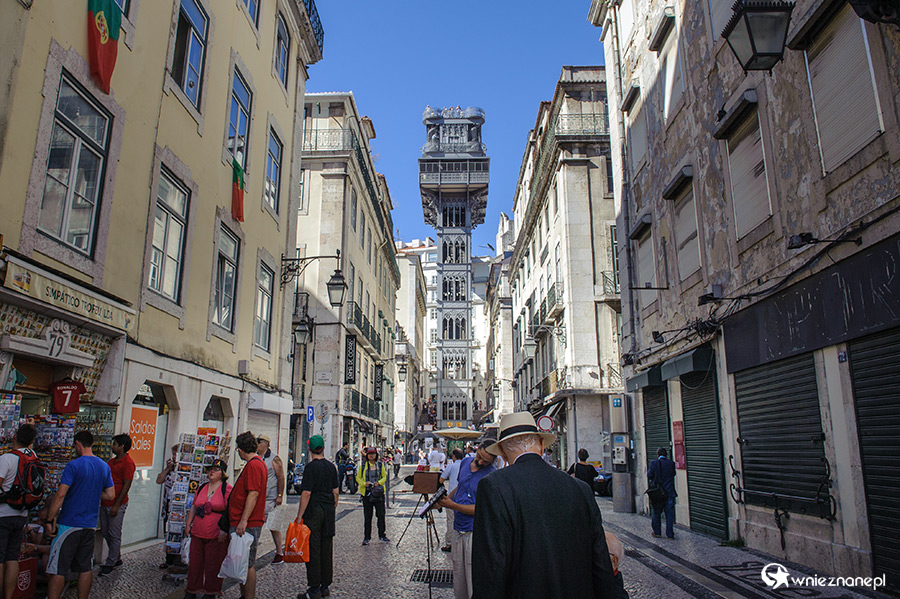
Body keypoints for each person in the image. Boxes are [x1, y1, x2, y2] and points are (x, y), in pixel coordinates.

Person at [472, 412, 616, 599]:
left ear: (502, 454)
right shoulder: (581, 489)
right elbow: (601, 563)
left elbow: (491, 567)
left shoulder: (494, 486)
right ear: (541, 446)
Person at [46, 431, 115, 599]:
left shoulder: (73, 465)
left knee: (58, 569)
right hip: (90, 525)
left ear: (78, 444)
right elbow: (110, 495)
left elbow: (61, 495)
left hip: (68, 524)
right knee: (85, 567)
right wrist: (91, 492)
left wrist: (49, 519)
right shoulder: (103, 466)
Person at [437, 443, 495, 599]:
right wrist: (445, 500)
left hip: (475, 531)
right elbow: (461, 486)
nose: (481, 462)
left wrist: (453, 505)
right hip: (458, 527)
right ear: (477, 451)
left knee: (472, 575)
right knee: (458, 572)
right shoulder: (464, 463)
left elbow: (481, 508)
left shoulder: (492, 476)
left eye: (486, 461)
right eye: (480, 457)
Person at [295, 435, 338, 599]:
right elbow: (336, 492)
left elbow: (306, 493)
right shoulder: (331, 467)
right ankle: (325, 585)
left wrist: (299, 515)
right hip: (328, 510)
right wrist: (333, 507)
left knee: (313, 549)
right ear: (323, 448)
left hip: (314, 511)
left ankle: (314, 589)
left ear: (310, 449)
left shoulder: (311, 468)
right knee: (327, 548)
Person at [184, 459, 231, 599]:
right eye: (211, 469)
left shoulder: (226, 488)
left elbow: (230, 510)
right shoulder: (202, 487)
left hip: (216, 534)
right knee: (195, 563)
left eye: (216, 469)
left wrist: (225, 530)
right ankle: (192, 589)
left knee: (213, 563)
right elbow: (194, 506)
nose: (212, 471)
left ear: (222, 473)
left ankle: (211, 591)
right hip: (198, 531)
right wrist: (188, 524)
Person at [228, 431, 268, 599]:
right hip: (249, 520)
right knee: (244, 562)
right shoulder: (258, 464)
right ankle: (244, 595)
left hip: (249, 522)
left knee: (248, 562)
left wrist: (243, 520)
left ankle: (248, 596)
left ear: (241, 449)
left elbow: (253, 494)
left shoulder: (254, 465)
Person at [0, 424, 37, 599]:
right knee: (12, 557)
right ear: (31, 441)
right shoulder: (33, 457)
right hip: (22, 515)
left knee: (0, 560)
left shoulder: (6, 458)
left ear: (15, 436)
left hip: (3, 514)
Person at [98, 433, 136, 577]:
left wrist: (117, 504)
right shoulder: (111, 462)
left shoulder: (128, 463)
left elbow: (127, 484)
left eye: (114, 444)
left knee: (114, 533)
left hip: (117, 503)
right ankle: (116, 557)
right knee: (106, 532)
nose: (112, 446)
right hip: (106, 501)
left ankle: (111, 562)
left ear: (122, 446)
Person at [256, 434, 285, 564]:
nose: (257, 444)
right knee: (255, 525)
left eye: (259, 441)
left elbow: (281, 477)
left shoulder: (274, 458)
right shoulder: (255, 457)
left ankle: (279, 552)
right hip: (257, 498)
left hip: (270, 499)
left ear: (266, 443)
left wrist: (279, 495)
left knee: (273, 526)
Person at [156, 444, 182, 568]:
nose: (174, 456)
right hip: (167, 507)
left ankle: (178, 559)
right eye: (173, 454)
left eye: (176, 454)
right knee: (168, 534)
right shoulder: (170, 470)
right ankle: (168, 559)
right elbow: (159, 480)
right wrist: (167, 468)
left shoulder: (183, 470)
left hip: (178, 508)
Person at [355, 447, 388, 545]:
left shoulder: (380, 465)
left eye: (373, 454)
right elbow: (358, 478)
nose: (371, 456)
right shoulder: (363, 466)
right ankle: (367, 537)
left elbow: (384, 476)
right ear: (367, 455)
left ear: (376, 455)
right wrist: (364, 483)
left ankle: (382, 535)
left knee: (381, 515)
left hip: (378, 493)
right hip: (367, 494)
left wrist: (379, 483)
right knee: (368, 516)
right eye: (369, 454)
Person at [647, 447, 677, 540]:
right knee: (669, 514)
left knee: (657, 513)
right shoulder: (671, 464)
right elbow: (673, 474)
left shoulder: (654, 463)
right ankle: (670, 534)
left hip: (658, 493)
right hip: (669, 492)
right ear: (666, 454)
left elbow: (649, 475)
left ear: (658, 454)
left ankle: (657, 532)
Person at [438, 448, 464, 552]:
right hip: (464, 497)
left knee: (451, 520)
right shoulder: (466, 465)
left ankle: (449, 544)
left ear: (454, 456)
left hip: (452, 498)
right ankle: (461, 542)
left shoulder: (452, 466)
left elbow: (441, 479)